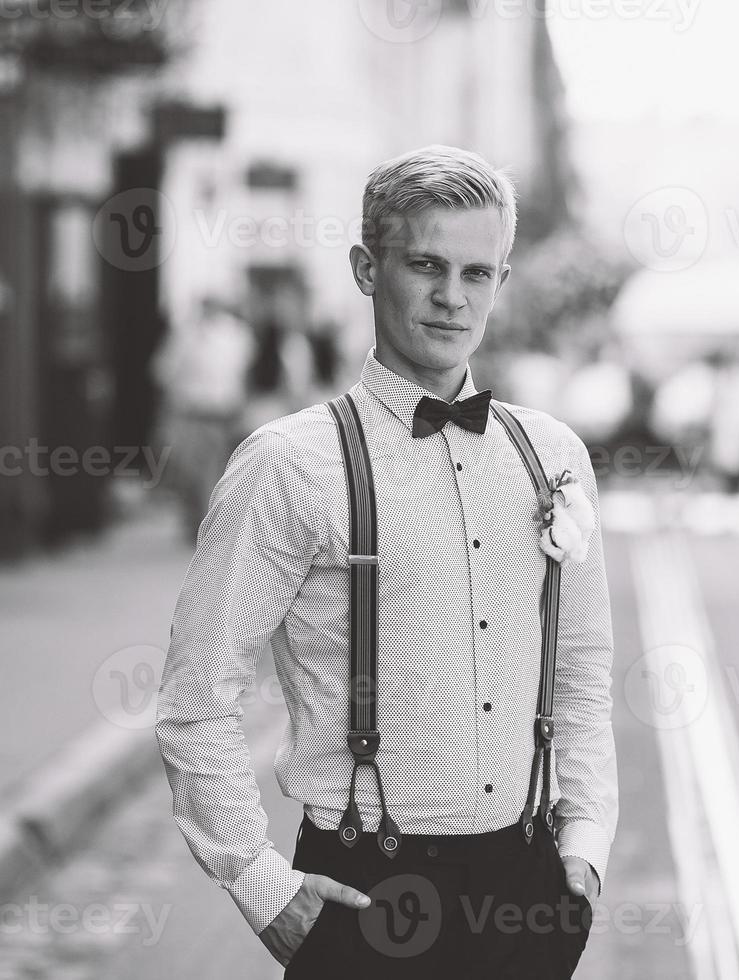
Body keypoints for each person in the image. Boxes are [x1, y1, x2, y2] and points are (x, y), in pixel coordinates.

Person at [154, 145, 618, 979]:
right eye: (426, 265)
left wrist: (582, 848)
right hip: (369, 894)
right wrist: (261, 885)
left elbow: (580, 671)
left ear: (501, 282)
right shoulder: (289, 464)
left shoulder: (550, 452)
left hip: (527, 892)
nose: (451, 297)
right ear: (368, 269)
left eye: (477, 273)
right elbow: (195, 698)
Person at [151, 295, 255, 542]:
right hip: (193, 412)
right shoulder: (186, 335)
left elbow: (244, 373)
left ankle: (208, 524)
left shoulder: (236, 334)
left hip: (221, 413)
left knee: (215, 472)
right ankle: (197, 521)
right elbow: (163, 373)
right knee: (192, 471)